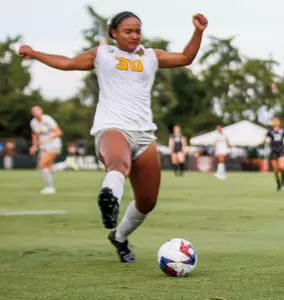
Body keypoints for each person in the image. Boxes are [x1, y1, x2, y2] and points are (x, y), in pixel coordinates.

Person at [19, 11, 208, 262]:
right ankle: (110, 200)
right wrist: (34, 54)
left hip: (143, 133)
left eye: (138, 31)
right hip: (111, 127)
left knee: (147, 201)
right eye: (128, 31)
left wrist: (198, 31)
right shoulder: (103, 54)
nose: (134, 36)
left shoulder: (150, 55)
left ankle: (118, 236)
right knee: (118, 164)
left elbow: (186, 58)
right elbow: (66, 63)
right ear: (114, 33)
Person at [29, 106, 63, 194]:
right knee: (47, 167)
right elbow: (34, 134)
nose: (36, 112)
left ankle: (50, 188)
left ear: (41, 111)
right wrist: (34, 146)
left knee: (43, 165)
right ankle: (65, 165)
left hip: (53, 145)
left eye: (37, 110)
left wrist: (46, 139)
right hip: (43, 146)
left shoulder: (47, 119)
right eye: (34, 111)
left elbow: (58, 132)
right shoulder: (33, 123)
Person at [264, 117, 284, 191]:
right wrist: (265, 140)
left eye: (276, 121)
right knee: (275, 170)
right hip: (273, 151)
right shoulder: (270, 131)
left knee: (282, 167)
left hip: (281, 150)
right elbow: (265, 137)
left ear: (279, 122)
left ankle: (283, 177)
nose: (275, 122)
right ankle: (278, 184)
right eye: (273, 121)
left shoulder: (282, 130)